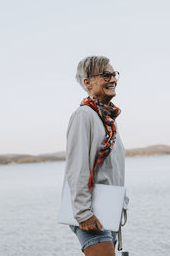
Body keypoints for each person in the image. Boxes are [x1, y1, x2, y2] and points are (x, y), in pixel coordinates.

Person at [62, 56, 129, 256]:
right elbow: (77, 167)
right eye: (106, 75)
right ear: (88, 82)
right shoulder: (84, 116)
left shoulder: (107, 121)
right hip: (90, 214)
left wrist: (122, 204)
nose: (113, 79)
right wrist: (83, 214)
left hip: (108, 211)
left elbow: (113, 169)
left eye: (114, 74)